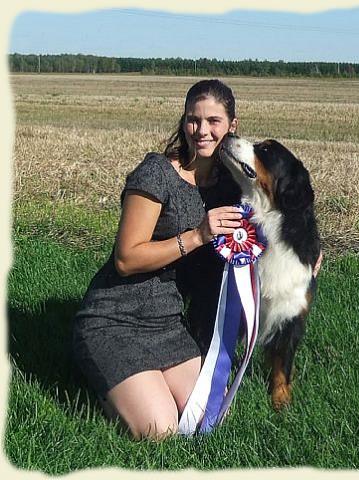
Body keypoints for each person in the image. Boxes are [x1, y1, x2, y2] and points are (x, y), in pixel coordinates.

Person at [72, 79, 244, 441]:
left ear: (232, 125)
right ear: (183, 122)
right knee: (161, 429)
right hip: (114, 319)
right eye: (193, 120)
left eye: (213, 121)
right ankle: (101, 382)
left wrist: (308, 251)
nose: (202, 130)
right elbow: (126, 258)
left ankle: (136, 389)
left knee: (208, 417)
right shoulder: (156, 173)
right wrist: (197, 235)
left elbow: (278, 207)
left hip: (167, 323)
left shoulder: (229, 183)